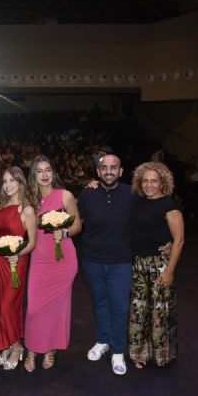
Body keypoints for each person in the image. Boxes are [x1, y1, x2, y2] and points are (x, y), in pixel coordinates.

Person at [78, 154, 136, 375]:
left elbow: (147, 219)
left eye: (114, 168)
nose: (109, 171)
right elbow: (76, 220)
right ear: (98, 171)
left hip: (121, 260)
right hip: (92, 260)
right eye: (104, 168)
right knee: (100, 302)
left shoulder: (132, 194)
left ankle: (118, 350)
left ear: (120, 171)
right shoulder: (87, 193)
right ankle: (103, 340)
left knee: (119, 306)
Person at [23, 155, 81, 372]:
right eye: (39, 171)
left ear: (53, 172)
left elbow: (77, 225)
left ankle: (49, 349)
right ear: (34, 175)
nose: (45, 175)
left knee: (58, 308)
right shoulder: (29, 199)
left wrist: (64, 231)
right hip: (39, 259)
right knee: (34, 308)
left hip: (64, 260)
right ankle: (31, 349)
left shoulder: (65, 195)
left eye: (48, 170)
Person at [0, 166, 37, 370]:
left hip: (15, 262)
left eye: (13, 180)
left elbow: (32, 243)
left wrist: (17, 254)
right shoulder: (2, 205)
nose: (8, 185)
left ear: (21, 182)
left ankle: (17, 346)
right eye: (5, 181)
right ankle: (5, 344)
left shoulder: (27, 209)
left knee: (8, 306)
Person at [128, 162, 184, 369]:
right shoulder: (137, 202)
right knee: (138, 310)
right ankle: (139, 354)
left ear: (163, 182)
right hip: (137, 264)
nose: (149, 185)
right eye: (145, 181)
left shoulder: (169, 205)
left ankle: (162, 356)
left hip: (160, 264)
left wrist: (169, 270)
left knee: (160, 311)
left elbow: (178, 241)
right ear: (140, 183)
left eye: (154, 181)